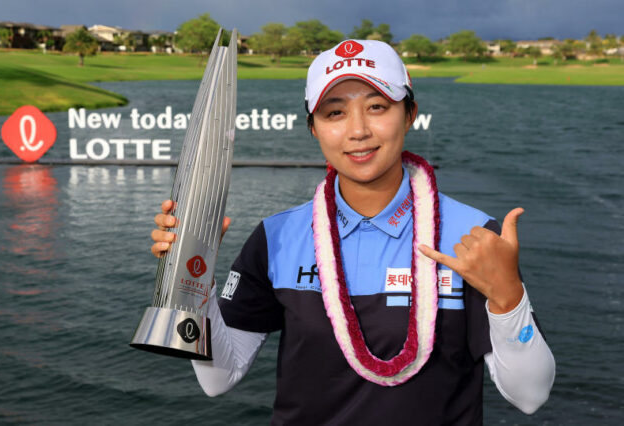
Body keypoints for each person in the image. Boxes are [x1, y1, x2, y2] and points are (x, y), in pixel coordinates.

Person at [150, 40, 555, 425]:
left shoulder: (472, 238)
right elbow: (218, 379)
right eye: (335, 113)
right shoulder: (277, 237)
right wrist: (192, 278)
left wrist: (508, 298)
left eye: (377, 106)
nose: (358, 130)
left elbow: (530, 395)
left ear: (410, 114)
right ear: (313, 128)